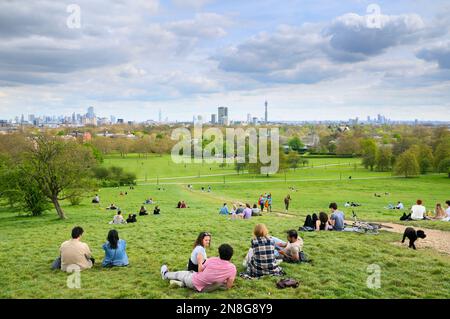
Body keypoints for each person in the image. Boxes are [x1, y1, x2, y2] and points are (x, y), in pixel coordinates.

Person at [161, 244, 236, 292]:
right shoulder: (232, 268)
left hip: (194, 281)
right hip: (206, 289)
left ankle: (165, 274)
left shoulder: (212, 260)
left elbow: (200, 270)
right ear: (231, 255)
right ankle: (180, 284)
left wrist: (200, 261)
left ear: (219, 253)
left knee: (180, 274)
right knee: (190, 276)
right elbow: (228, 286)